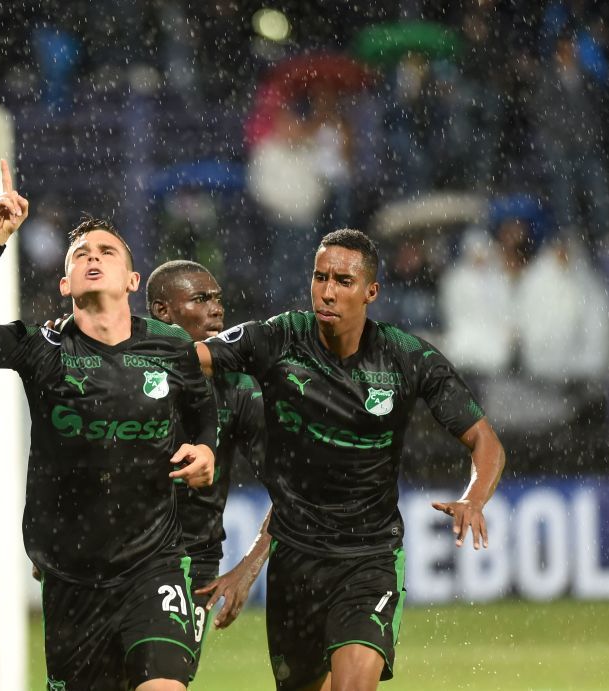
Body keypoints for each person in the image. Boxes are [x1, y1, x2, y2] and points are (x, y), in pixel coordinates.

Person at [0, 161, 218, 691]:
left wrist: (205, 449)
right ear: (65, 282)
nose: (93, 257)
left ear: (132, 280)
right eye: (81, 254)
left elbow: (202, 411)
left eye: (107, 252)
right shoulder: (42, 349)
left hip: (153, 564)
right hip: (70, 578)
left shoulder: (172, 346)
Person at [194, 229, 506, 691]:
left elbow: (485, 441)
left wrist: (474, 498)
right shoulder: (280, 337)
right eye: (320, 277)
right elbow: (192, 359)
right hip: (295, 563)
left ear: (371, 291)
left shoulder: (406, 357)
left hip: (369, 559)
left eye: (343, 281)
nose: (327, 291)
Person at [145, 260, 271, 641]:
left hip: (192, 560)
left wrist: (248, 568)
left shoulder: (238, 387)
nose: (216, 309)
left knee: (164, 671)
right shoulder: (124, 370)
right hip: (117, 556)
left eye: (217, 299)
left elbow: (295, 491)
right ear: (162, 311)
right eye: (200, 299)